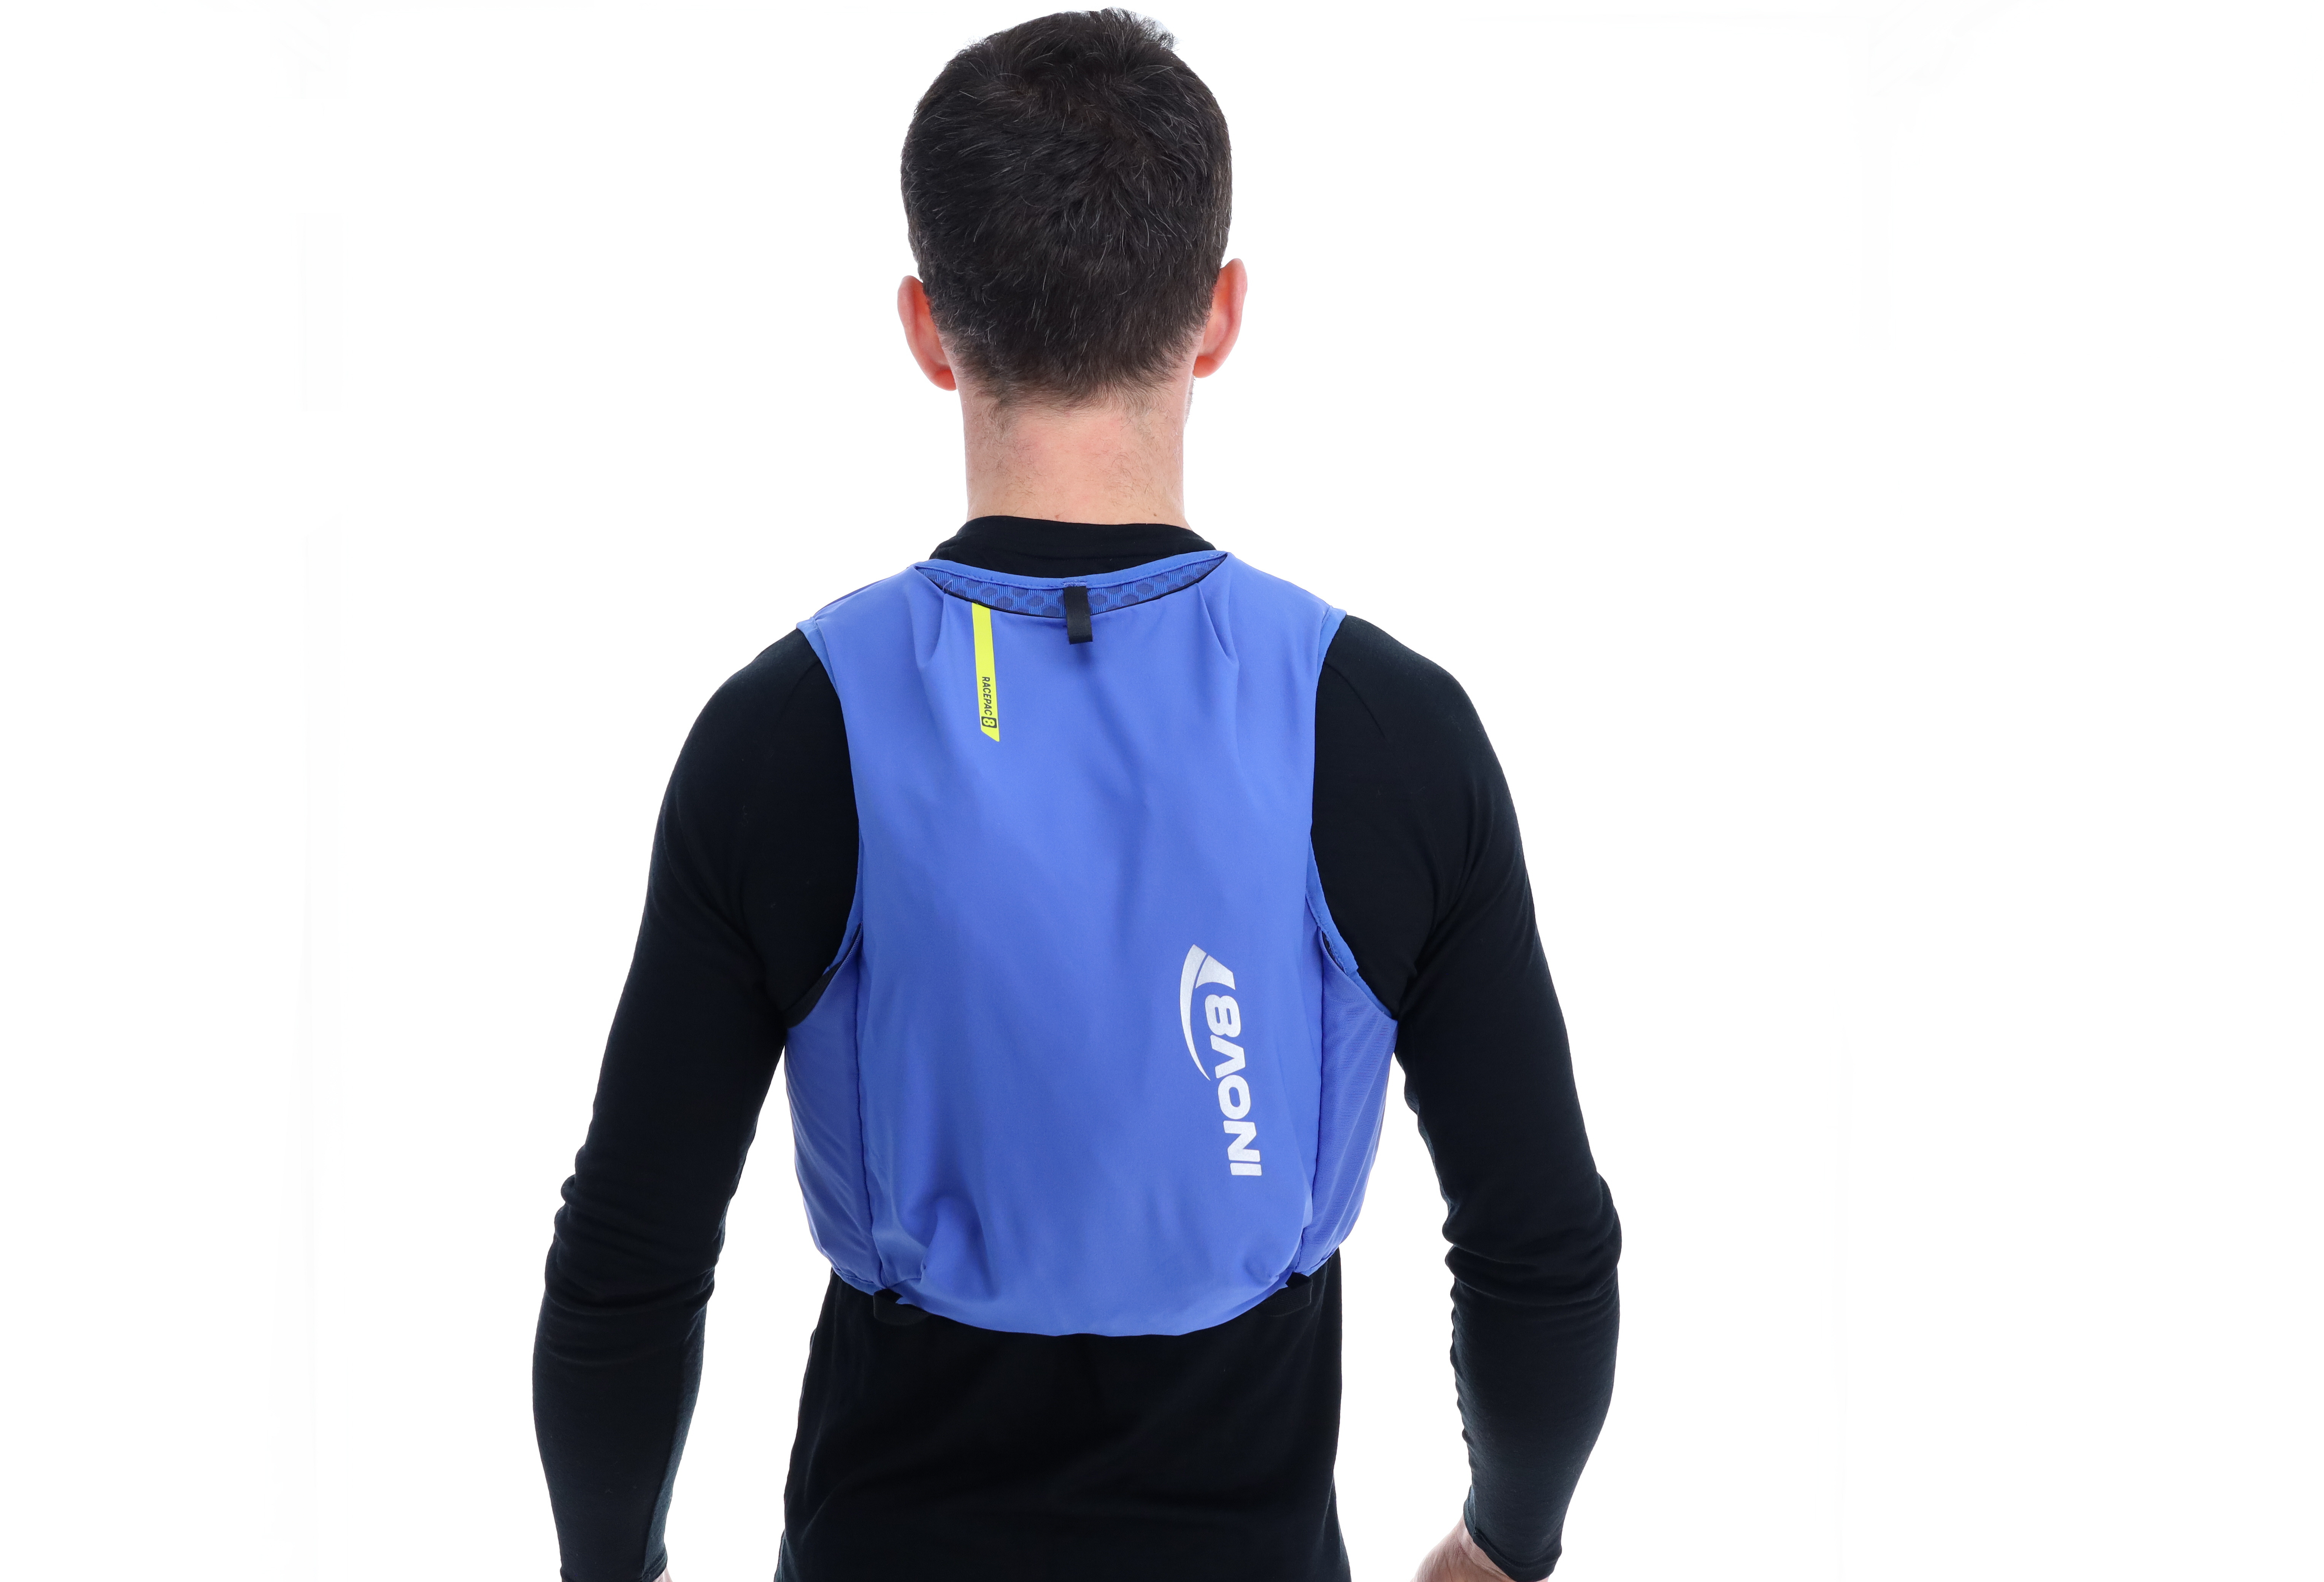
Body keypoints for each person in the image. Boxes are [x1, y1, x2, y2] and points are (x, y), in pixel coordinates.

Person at [532, 11, 1621, 1581]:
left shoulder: (788, 729)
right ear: (1219, 314)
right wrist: (1502, 1547)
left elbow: (628, 1261)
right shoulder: (1386, 727)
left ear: (928, 328)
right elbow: (1543, 1249)